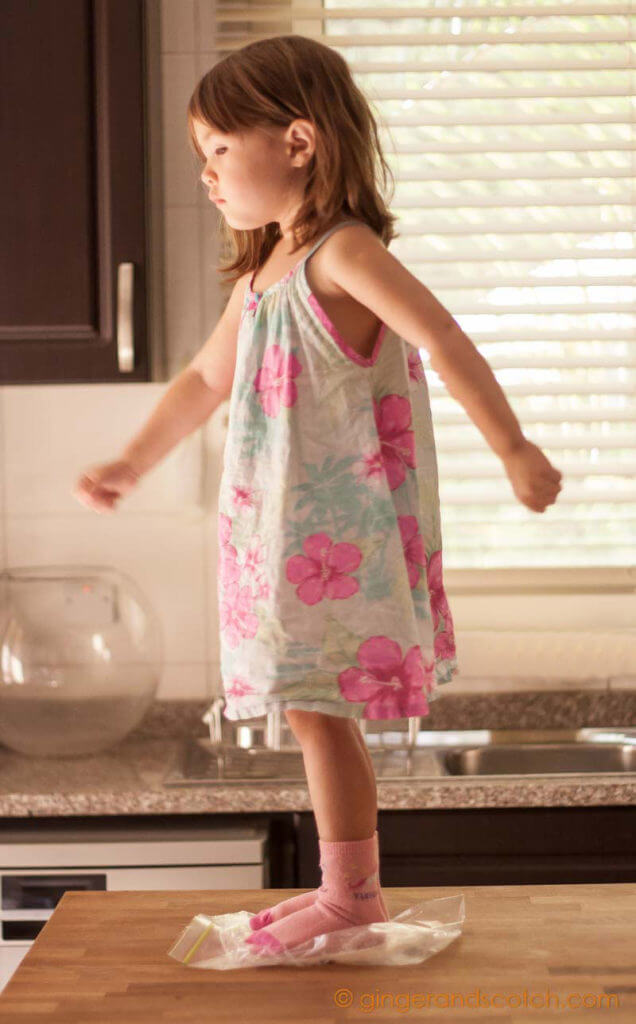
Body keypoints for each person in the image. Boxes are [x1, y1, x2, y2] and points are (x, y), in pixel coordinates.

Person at [73, 34, 563, 956]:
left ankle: (351, 898)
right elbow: (204, 380)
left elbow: (443, 337)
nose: (206, 173)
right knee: (309, 711)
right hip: (281, 539)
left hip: (336, 540)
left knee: (316, 711)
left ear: (298, 143)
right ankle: (347, 892)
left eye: (219, 148)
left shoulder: (343, 255)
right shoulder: (268, 272)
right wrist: (131, 463)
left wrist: (513, 447)